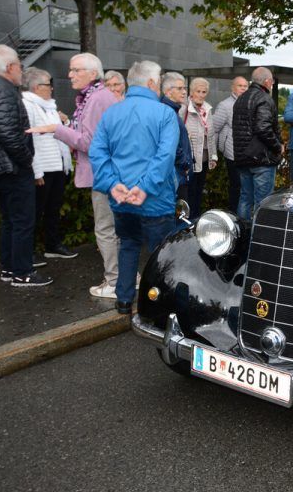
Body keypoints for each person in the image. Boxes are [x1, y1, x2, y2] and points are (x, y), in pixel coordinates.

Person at [89, 60, 179, 315]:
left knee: (127, 244)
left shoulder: (112, 113)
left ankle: (124, 300)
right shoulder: (164, 114)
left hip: (122, 198)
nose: (160, 84)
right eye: (160, 79)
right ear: (151, 83)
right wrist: (145, 187)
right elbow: (164, 157)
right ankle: (160, 305)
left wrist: (112, 184)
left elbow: (98, 153)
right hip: (155, 199)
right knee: (161, 253)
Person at [27, 52, 119, 298]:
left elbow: (90, 143)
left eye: (76, 70)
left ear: (92, 73)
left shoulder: (97, 98)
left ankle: (115, 281)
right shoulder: (97, 96)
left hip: (104, 174)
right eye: (70, 70)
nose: (69, 75)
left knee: (105, 229)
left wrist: (56, 129)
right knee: (113, 228)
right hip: (110, 173)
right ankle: (124, 276)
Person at [0, 45, 51, 286]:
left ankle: (10, 269)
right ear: (10, 67)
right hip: (13, 166)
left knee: (11, 220)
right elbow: (9, 134)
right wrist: (26, 160)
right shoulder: (4, 90)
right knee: (22, 220)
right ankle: (22, 272)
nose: (21, 70)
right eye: (19, 66)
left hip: (2, 166)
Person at [21, 67, 78, 261]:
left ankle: (52, 245)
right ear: (36, 87)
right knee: (35, 212)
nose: (52, 88)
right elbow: (30, 141)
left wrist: (67, 123)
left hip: (58, 165)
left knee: (53, 209)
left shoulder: (49, 105)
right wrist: (36, 172)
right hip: (43, 167)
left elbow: (58, 132)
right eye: (48, 84)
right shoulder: (27, 105)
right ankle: (28, 252)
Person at [232, 67, 283, 221]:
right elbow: (263, 128)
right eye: (272, 81)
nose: (272, 84)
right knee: (263, 202)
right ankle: (259, 238)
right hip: (261, 158)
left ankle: (243, 235)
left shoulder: (240, 98)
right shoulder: (264, 98)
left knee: (245, 198)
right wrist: (277, 146)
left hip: (242, 157)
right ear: (267, 81)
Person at [180, 77, 217, 219]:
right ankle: (186, 224)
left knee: (198, 192)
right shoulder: (184, 108)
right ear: (191, 92)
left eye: (204, 92)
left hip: (205, 158)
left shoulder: (207, 109)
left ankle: (196, 221)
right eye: (198, 91)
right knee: (188, 193)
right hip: (189, 159)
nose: (201, 95)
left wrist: (213, 155)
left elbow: (211, 134)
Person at [212, 76, 249, 213]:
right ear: (232, 87)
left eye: (245, 86)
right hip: (232, 152)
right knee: (236, 186)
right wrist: (213, 153)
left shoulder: (250, 102)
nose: (243, 88)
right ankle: (234, 215)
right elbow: (214, 129)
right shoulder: (225, 105)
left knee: (246, 188)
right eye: (240, 86)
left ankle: (244, 216)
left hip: (248, 153)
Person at [160, 72, 192, 201]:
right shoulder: (167, 112)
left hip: (178, 170)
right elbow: (172, 145)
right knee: (179, 215)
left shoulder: (172, 110)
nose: (184, 92)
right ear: (168, 92)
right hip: (175, 172)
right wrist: (184, 164)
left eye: (184, 88)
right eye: (179, 88)